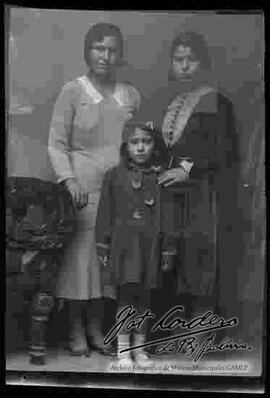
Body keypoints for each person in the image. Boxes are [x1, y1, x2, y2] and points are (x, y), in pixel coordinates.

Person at [48, 23, 140, 356]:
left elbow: (138, 142)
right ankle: (74, 329)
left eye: (112, 49)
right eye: (99, 48)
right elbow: (56, 144)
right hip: (82, 189)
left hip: (119, 189)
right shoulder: (72, 91)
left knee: (108, 260)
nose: (105, 55)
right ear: (88, 51)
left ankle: (96, 328)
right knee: (80, 259)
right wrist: (69, 182)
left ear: (120, 55)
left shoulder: (130, 94)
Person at [140, 31, 239, 341]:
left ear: (203, 64)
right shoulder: (164, 100)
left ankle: (199, 335)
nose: (184, 66)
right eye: (178, 59)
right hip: (168, 193)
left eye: (191, 60)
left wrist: (187, 168)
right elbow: (154, 141)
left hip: (202, 194)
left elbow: (224, 148)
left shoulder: (216, 100)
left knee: (199, 259)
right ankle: (167, 332)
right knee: (167, 259)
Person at [95, 118, 181, 366]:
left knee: (144, 299)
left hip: (150, 247)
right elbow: (104, 213)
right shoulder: (114, 176)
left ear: (154, 145)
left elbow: (169, 217)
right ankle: (123, 350)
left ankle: (140, 349)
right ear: (126, 146)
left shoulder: (161, 177)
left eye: (146, 142)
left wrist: (168, 249)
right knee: (125, 298)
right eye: (134, 142)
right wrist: (103, 245)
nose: (141, 147)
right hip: (124, 247)